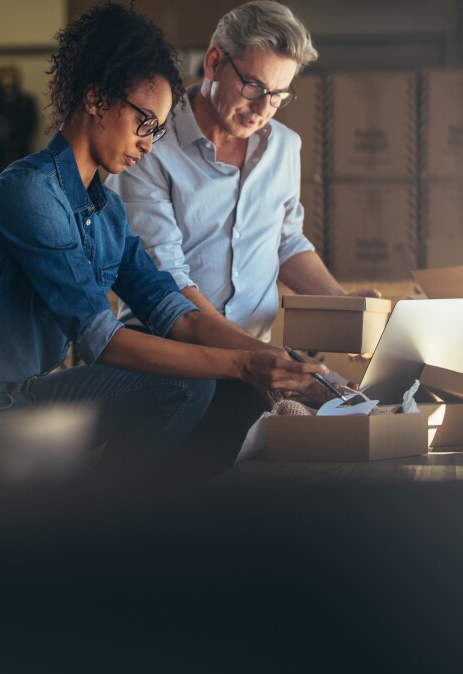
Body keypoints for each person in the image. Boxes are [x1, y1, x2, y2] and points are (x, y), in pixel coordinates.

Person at [0, 1, 325, 473]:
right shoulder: (30, 193)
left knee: (192, 385)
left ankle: (110, 521)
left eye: (159, 129)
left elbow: (174, 313)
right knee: (206, 381)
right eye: (145, 123)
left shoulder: (105, 211)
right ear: (97, 99)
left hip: (21, 396)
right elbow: (99, 340)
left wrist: (273, 357)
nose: (149, 143)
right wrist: (241, 365)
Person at [106, 0, 379, 471]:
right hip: (172, 357)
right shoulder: (150, 144)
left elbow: (287, 241)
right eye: (253, 86)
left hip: (260, 360)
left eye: (278, 94)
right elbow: (166, 282)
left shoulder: (285, 148)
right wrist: (269, 363)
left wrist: (345, 305)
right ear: (214, 62)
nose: (262, 109)